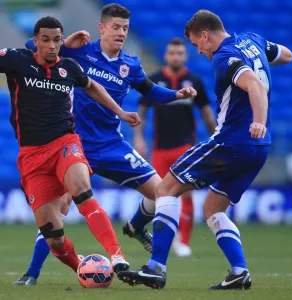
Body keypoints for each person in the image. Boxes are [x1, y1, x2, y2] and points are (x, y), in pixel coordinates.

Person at [14, 4, 196, 285]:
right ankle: (32, 272)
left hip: (112, 145)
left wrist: (176, 94)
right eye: (115, 27)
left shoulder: (131, 65)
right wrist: (69, 41)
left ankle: (136, 226)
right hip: (72, 144)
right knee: (58, 209)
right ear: (102, 28)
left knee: (163, 191)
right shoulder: (79, 51)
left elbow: (151, 91)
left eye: (125, 28)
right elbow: (34, 46)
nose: (121, 33)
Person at [117, 9, 292, 290]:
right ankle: (238, 271)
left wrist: (258, 120)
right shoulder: (252, 39)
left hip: (232, 141)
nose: (199, 51)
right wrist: (258, 59)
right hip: (260, 147)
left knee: (166, 188)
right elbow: (286, 55)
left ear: (205, 34)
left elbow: (255, 85)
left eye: (197, 44)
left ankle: (155, 268)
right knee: (213, 207)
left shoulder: (224, 57)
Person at [1, 16, 144, 284]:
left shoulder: (69, 67)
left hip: (65, 143)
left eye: (57, 39)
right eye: (46, 39)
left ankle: (117, 256)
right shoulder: (16, 60)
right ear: (36, 41)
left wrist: (121, 112)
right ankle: (84, 269)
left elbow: (93, 87)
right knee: (54, 238)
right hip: (32, 156)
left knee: (82, 191)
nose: (52, 45)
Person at [135, 37, 215, 257]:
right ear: (166, 55)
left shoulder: (194, 81)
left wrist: (217, 137)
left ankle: (184, 242)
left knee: (185, 195)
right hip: (160, 149)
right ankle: (163, 238)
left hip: (185, 148)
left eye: (180, 53)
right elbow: (141, 111)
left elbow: (207, 113)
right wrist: (139, 138)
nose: (176, 56)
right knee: (158, 194)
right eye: (172, 53)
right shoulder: (154, 80)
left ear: (185, 56)